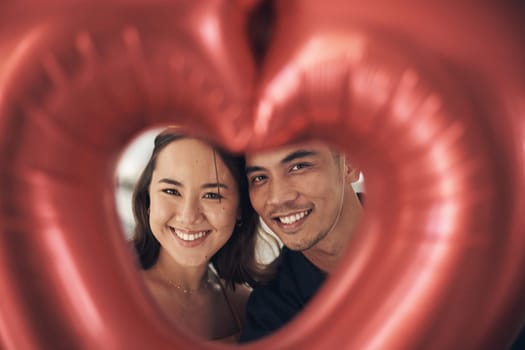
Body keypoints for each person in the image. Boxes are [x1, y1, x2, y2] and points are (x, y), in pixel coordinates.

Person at [131, 128, 259, 342]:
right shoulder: (111, 291)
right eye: (171, 191)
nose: (189, 216)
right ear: (148, 197)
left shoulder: (246, 306)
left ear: (240, 208)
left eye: (212, 195)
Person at [239, 139, 363, 342]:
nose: (278, 197)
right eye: (260, 178)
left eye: (299, 167)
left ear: (349, 164)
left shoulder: (429, 233)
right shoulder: (272, 315)